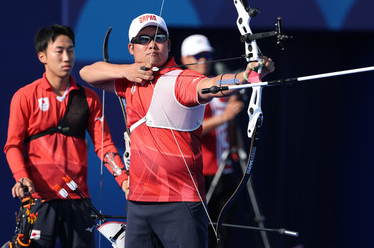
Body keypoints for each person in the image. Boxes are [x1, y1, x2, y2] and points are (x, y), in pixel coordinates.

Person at [79, 13, 275, 248]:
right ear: (131, 47)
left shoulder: (182, 80)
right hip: (138, 203)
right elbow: (87, 73)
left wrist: (244, 76)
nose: (152, 44)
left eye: (159, 37)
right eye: (144, 39)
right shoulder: (128, 81)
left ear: (168, 45)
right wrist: (126, 70)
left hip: (179, 203)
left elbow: (210, 86)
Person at [4, 24, 128, 248]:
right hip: (40, 201)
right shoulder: (24, 96)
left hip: (78, 202)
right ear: (42, 56)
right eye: (59, 50)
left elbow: (105, 145)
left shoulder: (89, 99)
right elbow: (12, 146)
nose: (66, 57)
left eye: (70, 50)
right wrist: (21, 177)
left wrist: (124, 180)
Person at [181, 34, 244, 247]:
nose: (203, 61)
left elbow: (231, 124)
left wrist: (238, 149)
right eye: (197, 57)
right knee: (200, 231)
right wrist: (223, 118)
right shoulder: (184, 88)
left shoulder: (218, 86)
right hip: (200, 174)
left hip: (225, 171)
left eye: (206, 56)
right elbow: (190, 130)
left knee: (224, 233)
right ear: (185, 57)